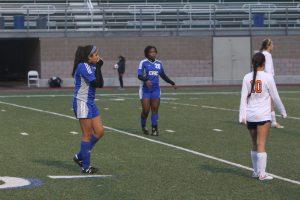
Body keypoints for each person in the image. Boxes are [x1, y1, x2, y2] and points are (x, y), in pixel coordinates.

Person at [239, 52, 287, 181]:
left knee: (255, 144)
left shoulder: (246, 77)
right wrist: (283, 111)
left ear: (253, 63)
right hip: (263, 116)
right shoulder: (268, 77)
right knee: (261, 144)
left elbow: (243, 98)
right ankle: (262, 174)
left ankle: (256, 172)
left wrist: (241, 116)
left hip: (250, 116)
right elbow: (275, 96)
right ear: (264, 63)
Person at [71, 45, 104, 174]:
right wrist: (99, 66)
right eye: (95, 54)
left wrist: (98, 67)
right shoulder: (82, 66)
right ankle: (86, 167)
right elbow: (96, 83)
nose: (97, 56)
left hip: (90, 102)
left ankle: (80, 156)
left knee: (100, 132)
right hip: (82, 102)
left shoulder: (93, 65)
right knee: (87, 134)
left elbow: (100, 84)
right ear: (88, 57)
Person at [137, 45, 177, 136]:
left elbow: (163, 75)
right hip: (145, 90)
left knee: (155, 109)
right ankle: (143, 126)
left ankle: (154, 129)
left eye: (154, 52)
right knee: (146, 110)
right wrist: (146, 80)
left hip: (156, 89)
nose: (153, 53)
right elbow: (139, 75)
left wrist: (172, 83)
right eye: (151, 52)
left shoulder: (159, 63)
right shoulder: (143, 62)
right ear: (147, 53)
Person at [260, 38, 283, 128]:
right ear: (268, 46)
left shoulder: (261, 54)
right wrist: (270, 81)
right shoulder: (268, 55)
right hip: (267, 80)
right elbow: (268, 70)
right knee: (271, 101)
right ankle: (273, 122)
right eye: (272, 45)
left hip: (260, 79)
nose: (273, 46)